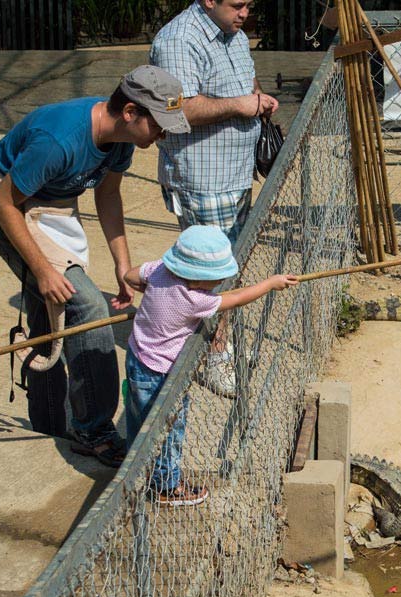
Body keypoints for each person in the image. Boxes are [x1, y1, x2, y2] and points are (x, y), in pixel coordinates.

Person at [0, 65, 191, 467]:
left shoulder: (121, 139)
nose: (163, 134)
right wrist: (42, 269)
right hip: (6, 203)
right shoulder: (59, 141)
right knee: (85, 303)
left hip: (50, 206)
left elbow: (108, 195)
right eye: (159, 124)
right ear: (130, 112)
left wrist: (122, 267)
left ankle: (50, 422)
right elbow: (4, 202)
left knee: (51, 311)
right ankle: (94, 430)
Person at [149, 0, 280, 397]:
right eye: (236, 4)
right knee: (208, 276)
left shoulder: (233, 34)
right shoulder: (178, 40)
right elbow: (174, 111)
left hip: (235, 173)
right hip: (202, 178)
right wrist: (243, 105)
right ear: (208, 0)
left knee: (228, 264)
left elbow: (247, 82)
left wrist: (258, 99)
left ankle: (218, 342)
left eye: (249, 5)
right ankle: (214, 356)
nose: (244, 13)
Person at [123, 225, 299, 505]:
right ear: (197, 278)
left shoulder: (159, 272)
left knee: (138, 417)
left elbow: (130, 275)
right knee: (169, 428)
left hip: (135, 357)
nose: (218, 284)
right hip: (161, 373)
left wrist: (153, 294)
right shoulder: (193, 299)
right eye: (214, 279)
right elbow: (236, 299)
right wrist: (270, 283)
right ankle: (166, 487)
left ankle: (133, 465)